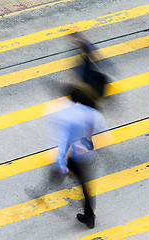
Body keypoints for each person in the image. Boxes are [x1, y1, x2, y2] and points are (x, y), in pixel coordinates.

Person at [50, 90, 104, 229]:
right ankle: (89, 217)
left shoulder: (72, 118)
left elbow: (64, 142)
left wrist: (62, 166)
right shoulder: (95, 115)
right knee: (86, 186)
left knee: (81, 183)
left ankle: (53, 179)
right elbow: (102, 133)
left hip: (75, 157)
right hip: (87, 156)